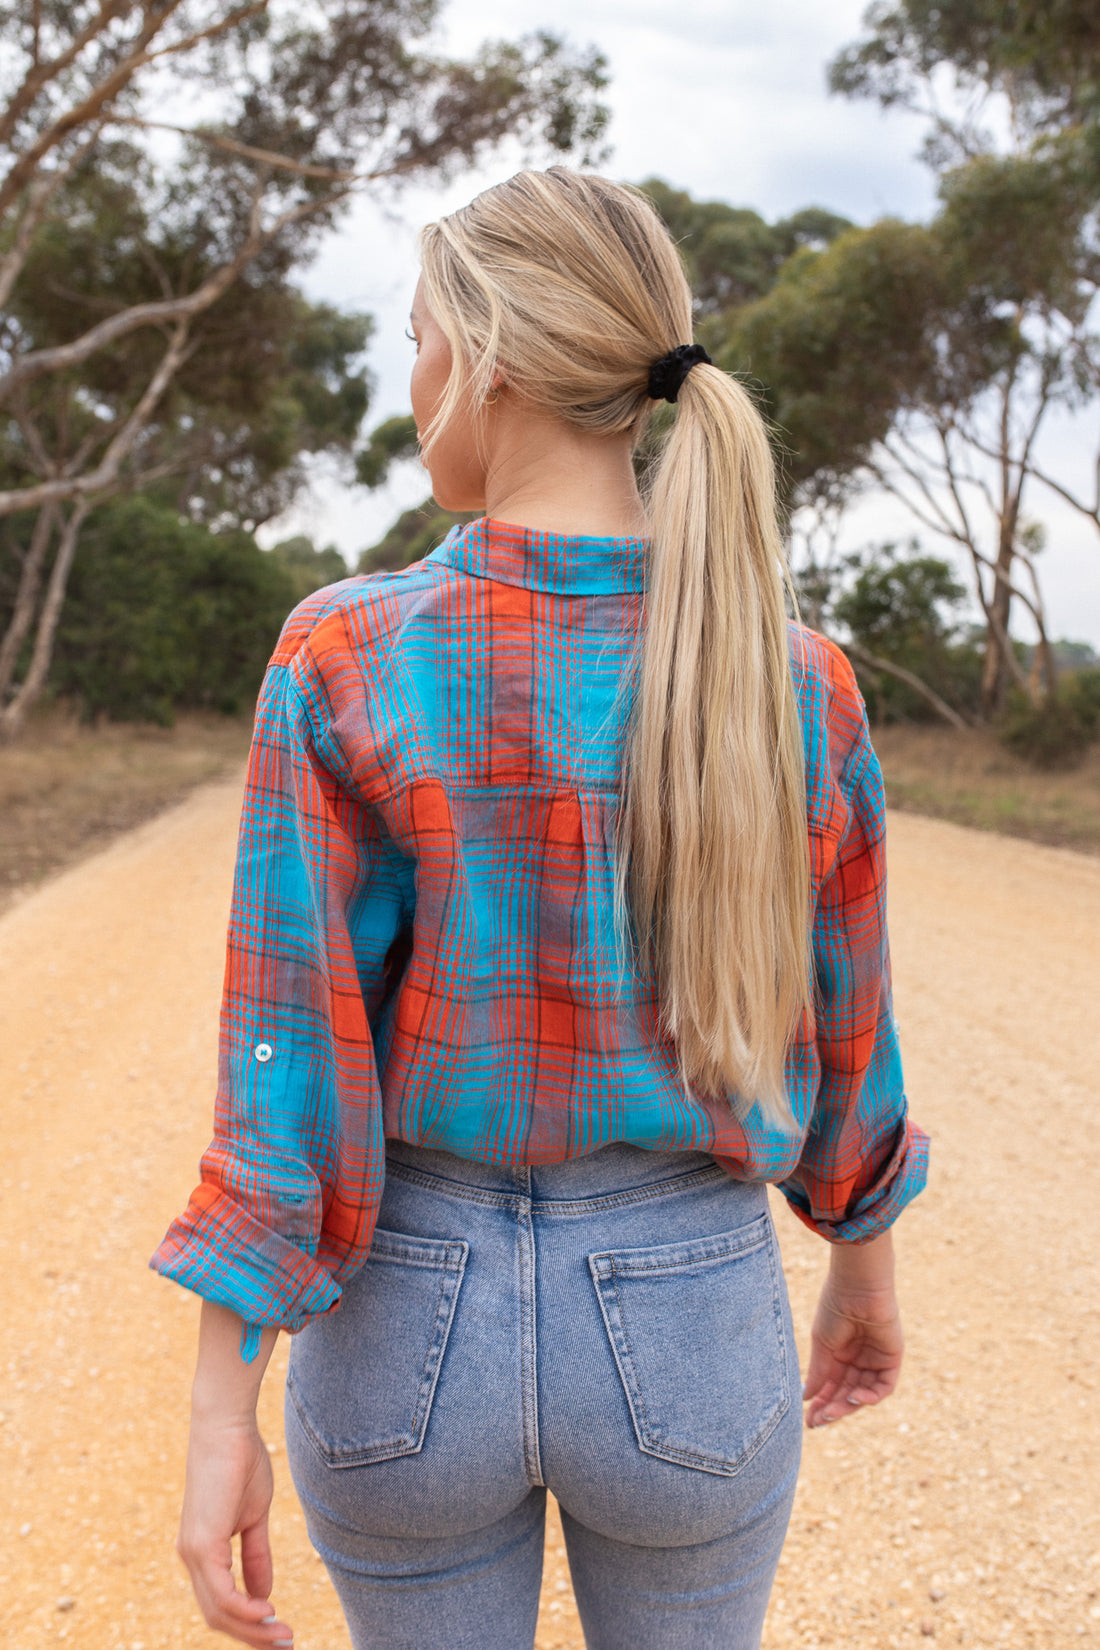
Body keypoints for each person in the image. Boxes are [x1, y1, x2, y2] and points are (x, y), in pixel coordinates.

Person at [152, 167, 928, 1650]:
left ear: (489, 356)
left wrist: (217, 1418)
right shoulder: (795, 681)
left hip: (405, 1333)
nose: (413, 383)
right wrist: (863, 1266)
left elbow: (285, 1083)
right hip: (695, 1325)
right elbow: (848, 1030)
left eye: (419, 339)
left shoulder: (345, 656)